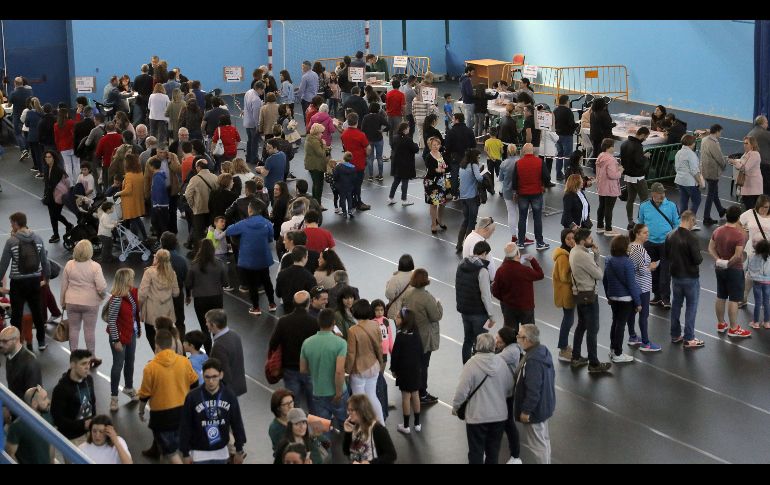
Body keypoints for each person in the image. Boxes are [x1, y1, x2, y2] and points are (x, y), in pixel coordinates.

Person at [137, 329, 199, 464]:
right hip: (183, 412)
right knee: (183, 449)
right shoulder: (184, 361)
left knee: (169, 453)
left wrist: (141, 411)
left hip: (161, 418)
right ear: (172, 344)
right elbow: (195, 383)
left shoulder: (150, 368)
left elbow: (145, 395)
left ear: (156, 346)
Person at [451, 333, 513, 464]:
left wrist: (456, 407)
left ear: (477, 346)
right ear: (493, 346)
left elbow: (461, 391)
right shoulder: (501, 362)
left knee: (476, 452)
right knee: (493, 453)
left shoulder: (471, 364)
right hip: (499, 416)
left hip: (477, 416)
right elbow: (509, 387)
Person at [179, 358, 247, 464]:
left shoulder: (229, 396)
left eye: (214, 376)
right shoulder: (192, 397)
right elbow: (185, 426)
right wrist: (185, 453)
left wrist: (239, 450)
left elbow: (237, 423)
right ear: (202, 375)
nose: (211, 381)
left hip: (221, 453)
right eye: (207, 377)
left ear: (221, 375)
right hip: (198, 454)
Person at [0, 212, 50, 350]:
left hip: (18, 283)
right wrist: (46, 278)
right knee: (37, 312)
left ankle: (16, 343)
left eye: (12, 223)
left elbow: (3, 264)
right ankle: (41, 342)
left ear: (16, 223)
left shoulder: (11, 241)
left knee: (16, 315)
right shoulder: (38, 238)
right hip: (34, 280)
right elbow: (44, 261)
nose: (11, 225)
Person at [569, 229, 612, 373]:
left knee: (581, 326)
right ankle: (594, 364)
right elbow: (599, 274)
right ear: (583, 241)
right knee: (593, 329)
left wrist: (596, 255)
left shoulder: (574, 251)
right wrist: (596, 257)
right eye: (589, 238)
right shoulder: (583, 255)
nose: (592, 240)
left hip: (580, 294)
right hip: (589, 295)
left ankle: (576, 357)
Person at [300, 308, 349, 431]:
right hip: (338, 392)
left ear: (319, 322)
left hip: (318, 392)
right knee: (347, 425)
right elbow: (339, 371)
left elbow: (303, 369)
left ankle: (322, 443)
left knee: (320, 429)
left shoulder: (307, 342)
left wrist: (317, 369)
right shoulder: (341, 343)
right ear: (333, 323)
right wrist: (338, 393)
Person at [226, 200, 277, 315]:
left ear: (250, 210)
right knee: (267, 281)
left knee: (252, 284)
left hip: (248, 259)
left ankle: (256, 308)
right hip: (263, 258)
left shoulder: (243, 224)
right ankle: (272, 304)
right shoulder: (267, 223)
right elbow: (270, 238)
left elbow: (229, 231)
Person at [513, 324, 555, 464]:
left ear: (527, 339)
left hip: (535, 411)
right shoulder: (543, 351)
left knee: (537, 446)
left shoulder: (532, 361)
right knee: (544, 440)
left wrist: (526, 411)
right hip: (545, 404)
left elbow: (533, 390)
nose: (517, 338)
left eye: (519, 336)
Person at [60, 239, 107, 363]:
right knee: (89, 330)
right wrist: (102, 296)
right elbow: (101, 287)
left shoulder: (69, 265)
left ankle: (74, 356)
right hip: (90, 303)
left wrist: (63, 302)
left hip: (71, 301)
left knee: (74, 329)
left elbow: (64, 286)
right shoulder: (95, 266)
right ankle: (91, 356)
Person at [708, 205, 751, 338]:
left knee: (721, 295)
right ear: (738, 218)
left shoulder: (718, 230)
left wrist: (718, 260)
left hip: (719, 268)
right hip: (734, 269)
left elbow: (710, 248)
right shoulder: (739, 234)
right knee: (734, 299)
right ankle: (734, 328)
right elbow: (737, 255)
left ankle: (721, 324)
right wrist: (728, 264)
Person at [401, 269, 442, 405]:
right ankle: (422, 393)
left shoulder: (407, 294)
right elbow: (436, 316)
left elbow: (403, 312)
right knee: (423, 365)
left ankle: (412, 390)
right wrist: (439, 304)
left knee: (413, 364)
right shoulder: (427, 297)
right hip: (424, 337)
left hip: (410, 334)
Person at [666, 211, 705, 348]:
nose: (694, 224)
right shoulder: (692, 238)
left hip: (675, 277)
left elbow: (667, 255)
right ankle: (689, 338)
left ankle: (675, 334)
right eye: (694, 221)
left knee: (676, 305)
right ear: (691, 219)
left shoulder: (670, 235)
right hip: (690, 277)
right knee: (691, 307)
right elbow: (698, 260)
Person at [638, 182, 680, 309]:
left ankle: (665, 299)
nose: (662, 196)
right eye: (659, 193)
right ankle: (657, 296)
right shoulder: (644, 206)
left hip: (666, 244)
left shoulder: (671, 206)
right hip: (649, 243)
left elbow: (677, 223)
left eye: (663, 193)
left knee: (665, 273)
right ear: (652, 194)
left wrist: (673, 237)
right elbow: (640, 223)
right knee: (653, 271)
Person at [104, 268, 140, 411]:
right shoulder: (116, 299)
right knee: (118, 365)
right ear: (125, 280)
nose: (133, 280)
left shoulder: (130, 293)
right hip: (119, 337)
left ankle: (129, 388)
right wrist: (115, 340)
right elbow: (111, 321)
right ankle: (114, 397)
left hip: (130, 333)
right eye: (131, 278)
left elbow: (134, 313)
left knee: (130, 362)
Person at [603, 235, 642, 363]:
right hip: (625, 299)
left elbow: (605, 280)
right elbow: (631, 284)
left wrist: (608, 296)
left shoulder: (609, 260)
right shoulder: (627, 263)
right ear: (624, 247)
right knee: (620, 325)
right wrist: (638, 302)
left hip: (613, 297)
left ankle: (612, 350)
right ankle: (618, 353)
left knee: (615, 323)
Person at [456, 241, 496, 364]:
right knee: (482, 343)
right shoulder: (482, 270)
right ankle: (480, 367)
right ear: (484, 253)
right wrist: (491, 316)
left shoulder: (461, 264)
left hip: (465, 311)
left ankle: (467, 367)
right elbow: (485, 296)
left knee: (467, 340)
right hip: (479, 313)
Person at [184, 239, 227, 353]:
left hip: (200, 300)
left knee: (205, 328)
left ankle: (209, 352)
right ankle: (219, 351)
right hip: (216, 299)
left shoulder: (194, 265)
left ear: (200, 249)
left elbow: (188, 284)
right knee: (217, 326)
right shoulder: (219, 263)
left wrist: (188, 296)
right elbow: (225, 283)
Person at [346, 299, 385, 423]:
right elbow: (379, 347)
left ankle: (363, 426)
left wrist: (347, 370)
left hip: (359, 369)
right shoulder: (375, 325)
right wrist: (380, 363)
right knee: (372, 396)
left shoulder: (353, 330)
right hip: (374, 366)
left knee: (359, 401)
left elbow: (351, 354)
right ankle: (381, 424)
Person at [492, 242, 544, 334]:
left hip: (509, 308)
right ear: (517, 254)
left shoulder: (501, 271)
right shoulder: (525, 270)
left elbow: (495, 291)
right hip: (526, 308)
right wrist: (532, 260)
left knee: (510, 334)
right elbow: (540, 275)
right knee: (529, 334)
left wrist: (505, 299)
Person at [627, 224, 662, 352]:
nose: (648, 234)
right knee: (644, 314)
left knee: (632, 312)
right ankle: (646, 343)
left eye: (648, 232)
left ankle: (633, 336)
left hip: (634, 285)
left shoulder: (630, 246)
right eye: (644, 233)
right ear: (637, 234)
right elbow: (642, 270)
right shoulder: (639, 250)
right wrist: (652, 267)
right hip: (642, 286)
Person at [389, 307, 423, 434]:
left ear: (405, 320)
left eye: (398, 317)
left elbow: (395, 355)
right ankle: (417, 423)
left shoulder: (401, 336)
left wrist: (393, 369)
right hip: (415, 369)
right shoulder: (416, 334)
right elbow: (421, 351)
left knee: (405, 397)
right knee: (415, 394)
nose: (395, 318)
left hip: (404, 371)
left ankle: (406, 425)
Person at [51, 349, 96, 444]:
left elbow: (92, 403)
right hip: (72, 439)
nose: (87, 367)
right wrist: (82, 425)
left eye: (89, 363)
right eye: (83, 364)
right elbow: (58, 420)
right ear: (72, 365)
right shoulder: (61, 389)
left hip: (90, 433)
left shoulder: (89, 380)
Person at [138, 249, 179, 350]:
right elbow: (176, 293)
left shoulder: (149, 272)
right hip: (167, 313)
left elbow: (142, 294)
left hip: (152, 312)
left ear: (157, 259)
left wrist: (137, 308)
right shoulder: (172, 273)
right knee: (166, 340)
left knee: (152, 338)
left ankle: (159, 356)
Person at [512, 143, 550, 250]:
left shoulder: (518, 163)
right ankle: (540, 243)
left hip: (522, 194)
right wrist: (544, 185)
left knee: (522, 218)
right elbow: (547, 177)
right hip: (536, 193)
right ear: (533, 151)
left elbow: (514, 180)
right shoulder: (540, 162)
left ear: (523, 151)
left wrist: (516, 192)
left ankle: (520, 242)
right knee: (537, 218)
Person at [5, 385, 54, 464]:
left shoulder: (47, 416)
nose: (49, 401)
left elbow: (51, 443)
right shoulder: (17, 426)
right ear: (34, 404)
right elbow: (10, 454)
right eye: (44, 399)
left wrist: (52, 462)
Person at [342, 394, 397, 464]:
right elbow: (346, 452)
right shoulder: (354, 426)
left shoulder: (378, 429)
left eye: (351, 410)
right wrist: (348, 433)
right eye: (348, 410)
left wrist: (370, 463)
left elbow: (391, 455)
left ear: (361, 411)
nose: (348, 413)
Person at [206, 308, 247, 397]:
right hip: (237, 385)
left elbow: (224, 374)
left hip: (227, 392)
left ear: (214, 325)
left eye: (207, 322)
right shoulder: (235, 334)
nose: (206, 324)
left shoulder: (219, 346)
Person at [739, 195, 770, 307]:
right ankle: (743, 298)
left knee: (767, 275)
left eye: (767, 207)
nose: (765, 209)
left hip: (768, 251)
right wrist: (743, 231)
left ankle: (766, 301)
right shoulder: (750, 213)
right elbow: (738, 223)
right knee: (750, 275)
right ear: (758, 205)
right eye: (762, 207)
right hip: (752, 250)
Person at [552, 229, 577, 361]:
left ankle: (564, 346)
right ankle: (563, 349)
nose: (571, 240)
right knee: (568, 320)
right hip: (566, 293)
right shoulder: (563, 256)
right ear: (563, 240)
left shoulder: (570, 252)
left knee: (569, 320)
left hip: (568, 292)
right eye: (568, 238)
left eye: (573, 237)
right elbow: (564, 276)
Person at [620, 127, 652, 229]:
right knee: (645, 200)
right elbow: (639, 163)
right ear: (642, 135)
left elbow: (626, 159)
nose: (645, 139)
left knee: (630, 199)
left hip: (628, 176)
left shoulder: (624, 143)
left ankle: (630, 221)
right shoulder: (637, 146)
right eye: (645, 137)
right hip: (638, 177)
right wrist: (645, 157)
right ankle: (641, 222)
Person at [456, 148, 485, 252]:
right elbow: (479, 178)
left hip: (463, 197)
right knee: (472, 223)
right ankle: (468, 246)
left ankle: (459, 244)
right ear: (474, 157)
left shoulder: (462, 166)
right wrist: (483, 174)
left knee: (465, 221)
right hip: (472, 197)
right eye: (478, 157)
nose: (479, 159)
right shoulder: (474, 165)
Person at [0, 326, 42, 399]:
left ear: (16, 340)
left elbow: (34, 396)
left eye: (4, 341)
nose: (0, 344)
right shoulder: (9, 354)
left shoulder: (31, 363)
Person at [42, 150, 74, 243]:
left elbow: (67, 182)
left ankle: (68, 225)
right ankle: (56, 234)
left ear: (54, 158)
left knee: (55, 215)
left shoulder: (59, 170)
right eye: (46, 157)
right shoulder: (46, 169)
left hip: (58, 196)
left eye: (49, 157)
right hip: (49, 196)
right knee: (52, 216)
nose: (47, 159)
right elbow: (47, 183)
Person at [595, 138, 623, 235]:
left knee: (602, 206)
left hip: (602, 186)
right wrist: (620, 171)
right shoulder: (611, 159)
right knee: (609, 209)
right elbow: (612, 175)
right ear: (608, 147)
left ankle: (599, 226)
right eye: (612, 146)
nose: (614, 148)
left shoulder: (600, 156)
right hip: (610, 188)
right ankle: (608, 229)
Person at [700, 124, 728, 224]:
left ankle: (720, 210)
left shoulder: (704, 139)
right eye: (720, 132)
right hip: (712, 171)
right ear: (717, 131)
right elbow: (719, 157)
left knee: (714, 192)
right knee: (711, 194)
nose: (720, 134)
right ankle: (706, 217)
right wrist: (724, 165)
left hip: (705, 169)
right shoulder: (713, 143)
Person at [444, 112, 476, 199]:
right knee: (467, 175)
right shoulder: (469, 130)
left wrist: (447, 156)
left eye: (453, 119)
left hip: (455, 157)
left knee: (454, 175)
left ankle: (454, 194)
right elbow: (473, 145)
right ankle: (467, 192)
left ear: (457, 120)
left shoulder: (451, 132)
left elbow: (447, 146)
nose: (452, 120)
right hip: (467, 157)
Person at [674, 134, 704, 222]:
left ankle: (682, 220)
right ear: (691, 143)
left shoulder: (678, 152)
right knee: (697, 200)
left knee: (684, 200)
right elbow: (694, 171)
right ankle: (690, 220)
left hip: (679, 180)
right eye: (694, 142)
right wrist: (700, 182)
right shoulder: (691, 154)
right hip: (689, 182)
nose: (694, 144)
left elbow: (676, 167)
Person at [730, 136, 763, 212]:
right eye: (744, 143)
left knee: (751, 209)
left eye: (747, 143)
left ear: (752, 144)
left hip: (753, 186)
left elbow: (745, 168)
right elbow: (742, 162)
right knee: (749, 209)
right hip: (747, 185)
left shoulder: (755, 154)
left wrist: (735, 162)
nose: (744, 145)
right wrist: (735, 162)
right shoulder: (747, 153)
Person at [423, 136, 449, 233]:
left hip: (441, 182)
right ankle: (433, 224)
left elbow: (446, 167)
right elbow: (431, 170)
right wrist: (438, 170)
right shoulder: (428, 157)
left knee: (442, 203)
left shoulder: (441, 154)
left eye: (437, 144)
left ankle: (439, 220)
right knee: (434, 204)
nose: (436, 146)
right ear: (430, 146)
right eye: (434, 145)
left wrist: (442, 169)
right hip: (431, 183)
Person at [389, 122, 418, 205]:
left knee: (396, 181)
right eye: (408, 128)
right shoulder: (408, 139)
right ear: (405, 129)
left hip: (396, 163)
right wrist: (415, 144)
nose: (409, 129)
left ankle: (390, 197)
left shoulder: (394, 137)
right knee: (405, 181)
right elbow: (415, 149)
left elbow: (392, 147)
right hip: (405, 164)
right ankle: (404, 199)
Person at [553, 94, 577, 181]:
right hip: (567, 136)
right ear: (567, 101)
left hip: (557, 135)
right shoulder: (568, 111)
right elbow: (571, 124)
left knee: (559, 155)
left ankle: (558, 174)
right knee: (567, 156)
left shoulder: (555, 110)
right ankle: (567, 175)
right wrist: (577, 125)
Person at [747, 240, 770, 329]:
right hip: (767, 282)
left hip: (757, 282)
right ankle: (767, 322)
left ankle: (755, 322)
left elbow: (746, 267)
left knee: (757, 302)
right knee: (766, 302)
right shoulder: (768, 258)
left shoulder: (752, 256)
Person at [384, 254, 414, 320]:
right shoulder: (414, 276)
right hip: (410, 310)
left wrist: (387, 284)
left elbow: (389, 295)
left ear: (400, 264)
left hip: (397, 311)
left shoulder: (395, 279)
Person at [304, 123, 328, 203]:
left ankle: (315, 202)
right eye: (321, 132)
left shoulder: (310, 138)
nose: (322, 134)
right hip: (316, 165)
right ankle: (318, 203)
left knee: (315, 184)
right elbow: (321, 153)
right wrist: (324, 145)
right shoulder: (315, 141)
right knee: (318, 185)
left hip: (311, 164)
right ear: (317, 133)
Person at [747, 115, 770, 195]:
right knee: (766, 187)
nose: (767, 124)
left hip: (752, 164)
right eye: (766, 122)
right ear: (762, 123)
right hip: (764, 164)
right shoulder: (765, 134)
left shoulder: (750, 133)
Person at [298, 61, 320, 126]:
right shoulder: (315, 74)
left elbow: (301, 90)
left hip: (306, 100)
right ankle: (314, 130)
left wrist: (299, 98)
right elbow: (317, 86)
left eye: (302, 66)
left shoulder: (305, 76)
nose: (302, 68)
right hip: (314, 99)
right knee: (314, 116)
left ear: (306, 67)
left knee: (307, 117)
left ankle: (308, 130)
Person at [459, 66, 476, 131]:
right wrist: (476, 96)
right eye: (472, 72)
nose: (473, 74)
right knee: (473, 119)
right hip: (470, 102)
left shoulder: (461, 78)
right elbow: (469, 93)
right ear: (468, 71)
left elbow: (462, 90)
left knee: (467, 118)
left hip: (465, 101)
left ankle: (466, 130)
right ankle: (468, 130)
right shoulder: (467, 80)